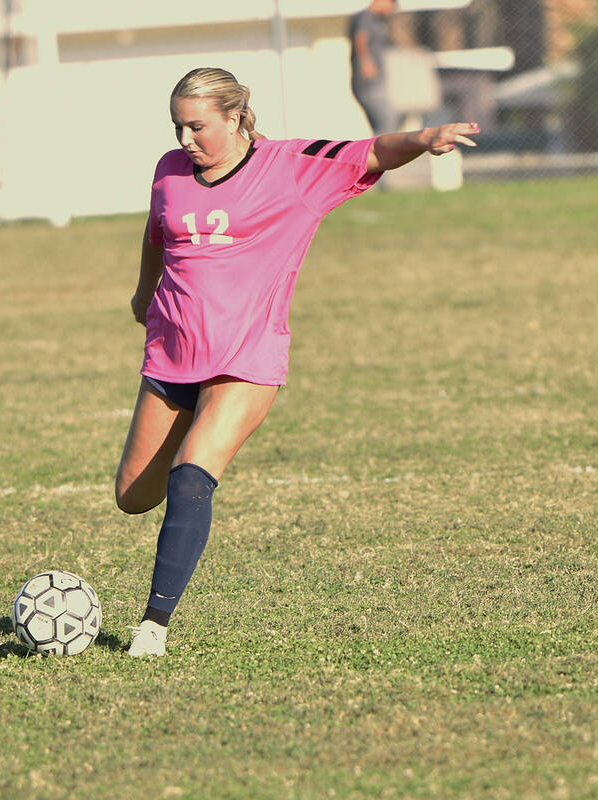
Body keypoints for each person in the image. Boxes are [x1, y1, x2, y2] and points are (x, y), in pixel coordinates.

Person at [116, 67, 479, 657]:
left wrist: (423, 138)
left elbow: (371, 153)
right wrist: (142, 292)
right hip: (172, 352)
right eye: (178, 126)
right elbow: (156, 233)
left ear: (234, 116)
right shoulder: (169, 169)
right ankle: (178, 447)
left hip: (247, 357)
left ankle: (152, 626)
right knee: (133, 496)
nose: (186, 139)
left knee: (191, 476)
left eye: (198, 126)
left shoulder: (291, 166)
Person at [350, 0, 399, 136]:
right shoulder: (364, 17)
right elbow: (360, 39)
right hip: (368, 82)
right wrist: (366, 63)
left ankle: (379, 154)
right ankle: (382, 155)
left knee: (383, 124)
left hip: (376, 80)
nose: (392, 9)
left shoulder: (378, 20)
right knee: (387, 121)